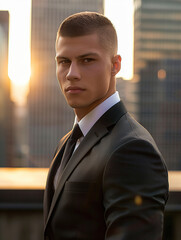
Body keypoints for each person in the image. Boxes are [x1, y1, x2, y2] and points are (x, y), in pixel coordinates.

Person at [44, 12, 169, 240]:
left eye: (87, 60)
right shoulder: (69, 140)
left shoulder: (132, 150)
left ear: (115, 65)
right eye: (64, 62)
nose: (71, 74)